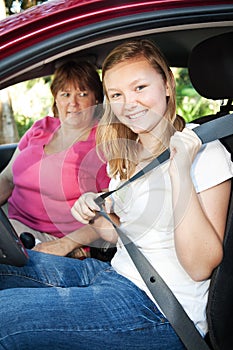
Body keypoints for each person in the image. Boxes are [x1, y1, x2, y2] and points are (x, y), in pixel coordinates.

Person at [0, 39, 232, 349]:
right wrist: (95, 209)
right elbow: (113, 234)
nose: (129, 104)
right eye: (117, 95)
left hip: (158, 309)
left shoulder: (206, 153)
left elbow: (200, 266)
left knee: (5, 318)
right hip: (113, 275)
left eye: (139, 88)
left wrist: (179, 173)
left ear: (167, 84)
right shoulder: (126, 155)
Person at [0, 60, 110, 257]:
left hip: (56, 241)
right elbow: (7, 178)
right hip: (10, 221)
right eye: (65, 94)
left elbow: (111, 214)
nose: (73, 103)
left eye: (82, 94)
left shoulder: (103, 142)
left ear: (96, 100)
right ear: (56, 98)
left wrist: (66, 244)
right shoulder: (41, 127)